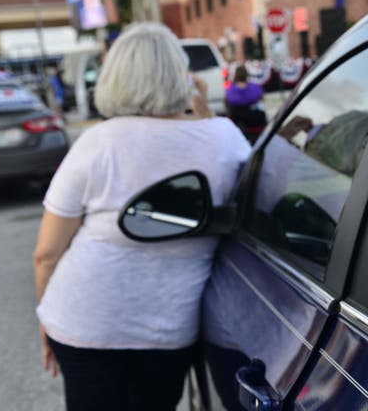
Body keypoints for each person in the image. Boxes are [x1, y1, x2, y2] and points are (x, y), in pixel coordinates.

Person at [33, 22, 251, 411]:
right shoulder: (225, 139)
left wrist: (46, 318)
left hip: (82, 322)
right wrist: (200, 108)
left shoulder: (97, 143)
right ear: (181, 74)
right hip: (167, 331)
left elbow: (47, 254)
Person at [225, 65, 267, 143]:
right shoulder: (255, 88)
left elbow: (227, 103)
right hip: (255, 124)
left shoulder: (231, 90)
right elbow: (261, 99)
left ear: (236, 75)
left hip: (239, 124)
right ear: (246, 75)